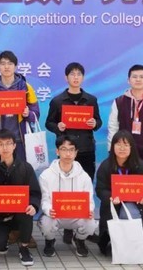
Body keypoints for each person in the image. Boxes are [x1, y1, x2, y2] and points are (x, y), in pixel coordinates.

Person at [45, 62, 102, 246]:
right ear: (66, 77)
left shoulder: (91, 100)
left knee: (85, 187)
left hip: (86, 149)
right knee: (66, 189)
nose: (75, 77)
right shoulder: (57, 101)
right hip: (66, 151)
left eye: (79, 74)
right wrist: (58, 126)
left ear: (83, 77)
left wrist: (95, 123)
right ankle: (68, 228)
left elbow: (98, 121)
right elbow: (48, 123)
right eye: (72, 74)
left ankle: (83, 228)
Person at [96, 131, 143, 257]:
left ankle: (139, 242)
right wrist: (110, 197)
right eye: (118, 144)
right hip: (115, 203)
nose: (122, 148)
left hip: (137, 203)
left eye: (126, 145)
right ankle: (119, 243)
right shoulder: (106, 166)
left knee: (132, 213)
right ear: (112, 146)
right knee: (120, 213)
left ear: (131, 147)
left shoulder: (140, 165)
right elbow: (100, 189)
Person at [0, 130, 41, 267]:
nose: (5, 148)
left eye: (8, 143)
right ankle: (8, 236)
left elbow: (35, 193)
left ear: (14, 145)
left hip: (20, 215)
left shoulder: (26, 168)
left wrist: (33, 205)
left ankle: (24, 247)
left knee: (27, 209)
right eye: (1, 144)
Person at [38, 135, 96, 258]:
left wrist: (89, 210)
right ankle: (50, 241)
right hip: (55, 215)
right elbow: (45, 200)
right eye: (64, 149)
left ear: (76, 153)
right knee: (46, 222)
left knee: (91, 223)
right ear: (57, 151)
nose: (68, 154)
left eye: (71, 150)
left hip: (76, 215)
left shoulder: (84, 176)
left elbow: (89, 200)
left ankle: (79, 240)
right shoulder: (46, 175)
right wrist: (49, 210)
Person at [0, 50, 40, 161]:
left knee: (20, 170)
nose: (6, 67)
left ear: (15, 66)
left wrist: (28, 114)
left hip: (20, 140)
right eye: (3, 64)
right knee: (0, 170)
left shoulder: (26, 87)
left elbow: (36, 114)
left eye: (10, 63)